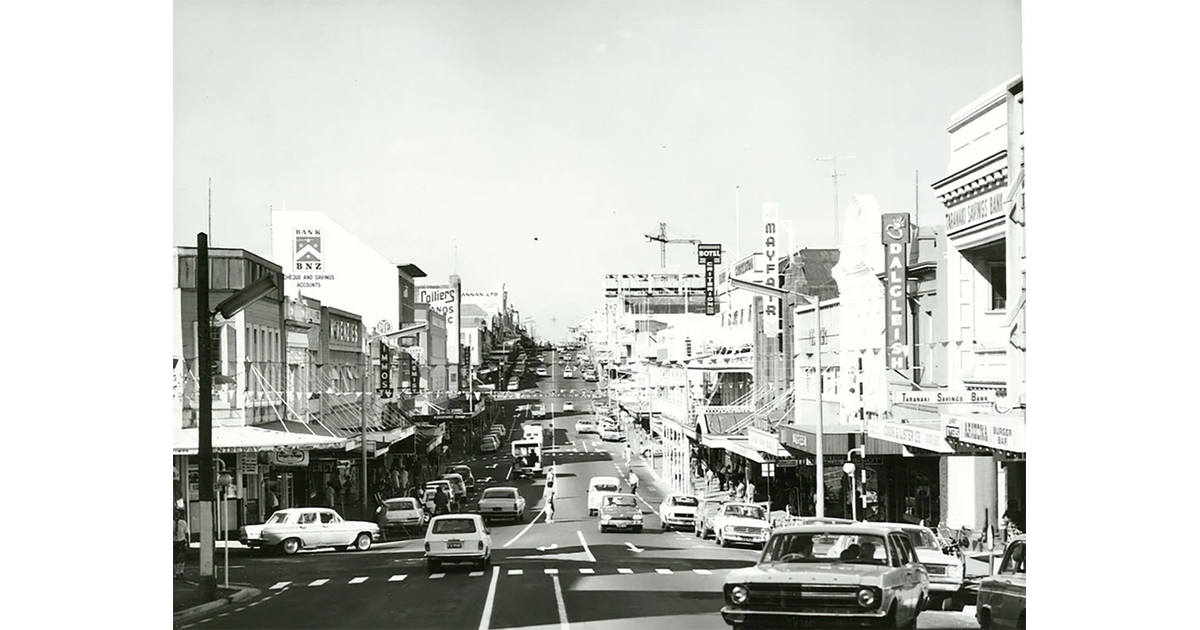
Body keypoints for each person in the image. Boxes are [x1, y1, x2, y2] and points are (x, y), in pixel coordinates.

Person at [173, 508, 189, 579]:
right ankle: (176, 572)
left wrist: (187, 542)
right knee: (175, 557)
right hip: (174, 541)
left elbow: (186, 532)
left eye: (177, 514)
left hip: (181, 540)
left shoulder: (183, 523)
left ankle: (181, 571)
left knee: (182, 556)